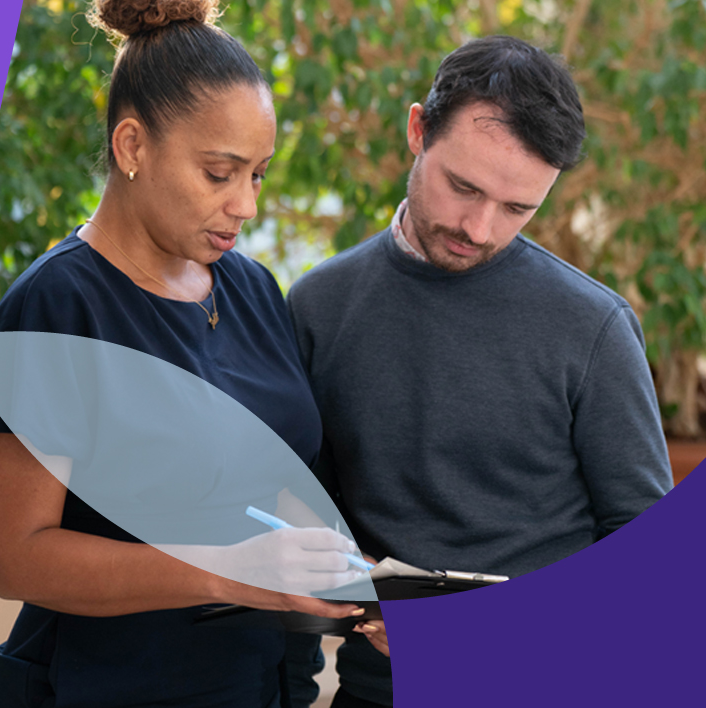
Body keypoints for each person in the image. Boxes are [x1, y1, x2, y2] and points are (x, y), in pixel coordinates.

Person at [0, 0, 363, 705]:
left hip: (263, 684)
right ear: (132, 144)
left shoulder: (251, 288)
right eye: (219, 174)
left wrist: (355, 583)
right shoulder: (53, 311)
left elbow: (280, 480)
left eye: (259, 176)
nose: (245, 206)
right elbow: (14, 559)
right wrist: (227, 571)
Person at [287, 35, 673, 707]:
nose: (480, 227)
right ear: (417, 131)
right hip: (380, 692)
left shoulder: (594, 327)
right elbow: (305, 526)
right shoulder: (318, 306)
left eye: (519, 208)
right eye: (463, 186)